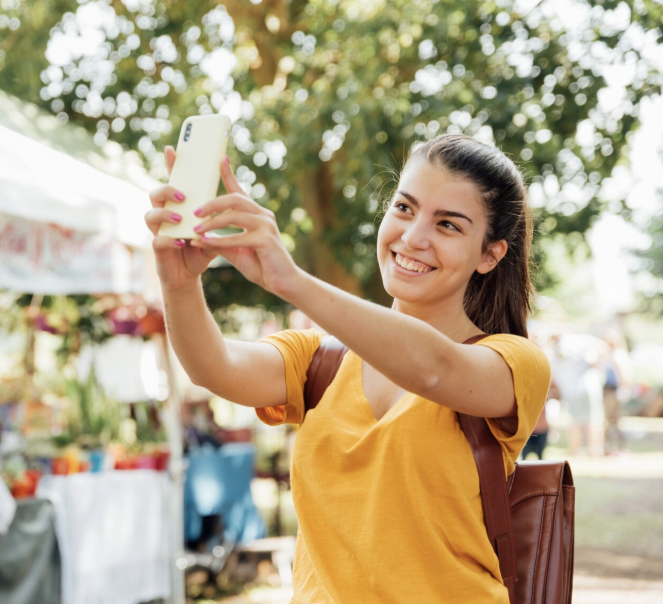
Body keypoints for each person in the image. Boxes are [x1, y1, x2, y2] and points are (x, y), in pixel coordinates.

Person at [146, 133, 550, 603]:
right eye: (404, 208)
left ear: (489, 254)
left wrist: (291, 281)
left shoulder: (514, 363)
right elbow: (214, 367)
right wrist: (178, 284)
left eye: (448, 225)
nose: (414, 237)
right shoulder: (320, 361)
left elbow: (434, 370)